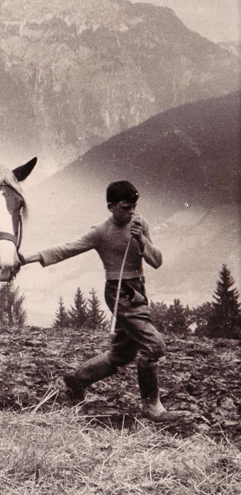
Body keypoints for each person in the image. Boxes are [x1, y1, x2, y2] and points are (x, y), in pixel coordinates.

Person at [20, 180, 184, 422]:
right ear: (111, 206)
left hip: (138, 289)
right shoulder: (100, 231)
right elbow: (68, 248)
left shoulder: (140, 224)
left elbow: (156, 261)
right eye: (126, 207)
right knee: (155, 346)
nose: (131, 213)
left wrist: (142, 241)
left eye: (134, 207)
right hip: (119, 292)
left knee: (122, 355)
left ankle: (77, 380)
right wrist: (28, 258)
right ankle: (152, 406)